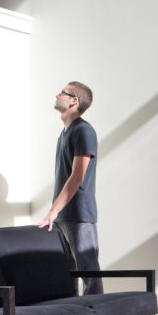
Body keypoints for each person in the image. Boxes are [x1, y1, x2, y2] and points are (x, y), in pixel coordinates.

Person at [38, 81, 103, 294]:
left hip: (79, 214)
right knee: (68, 276)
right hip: (63, 216)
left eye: (62, 93)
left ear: (74, 100)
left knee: (89, 274)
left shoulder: (84, 131)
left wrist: (52, 211)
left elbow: (77, 177)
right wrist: (56, 212)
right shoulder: (64, 134)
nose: (57, 95)